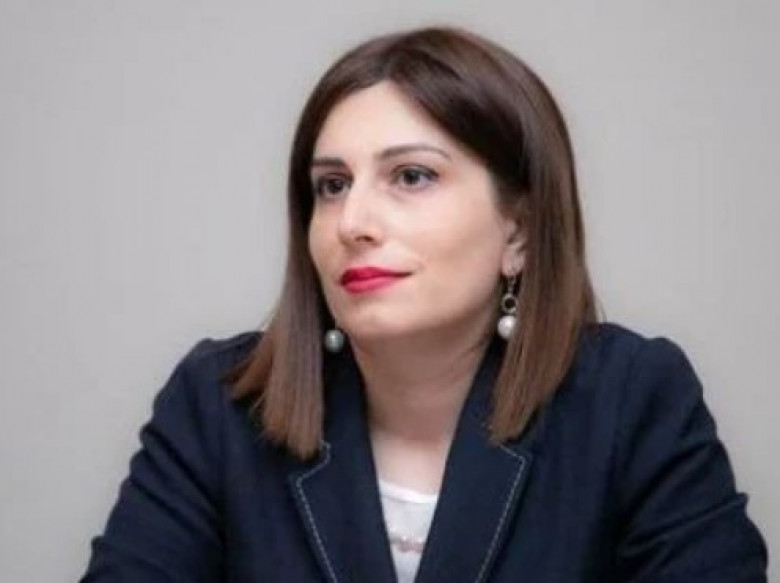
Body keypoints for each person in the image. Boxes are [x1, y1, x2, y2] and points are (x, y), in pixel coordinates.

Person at [80, 26, 768, 582]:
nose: (353, 222)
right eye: (331, 185)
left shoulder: (632, 400)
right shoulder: (218, 406)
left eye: (411, 176)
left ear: (519, 232)